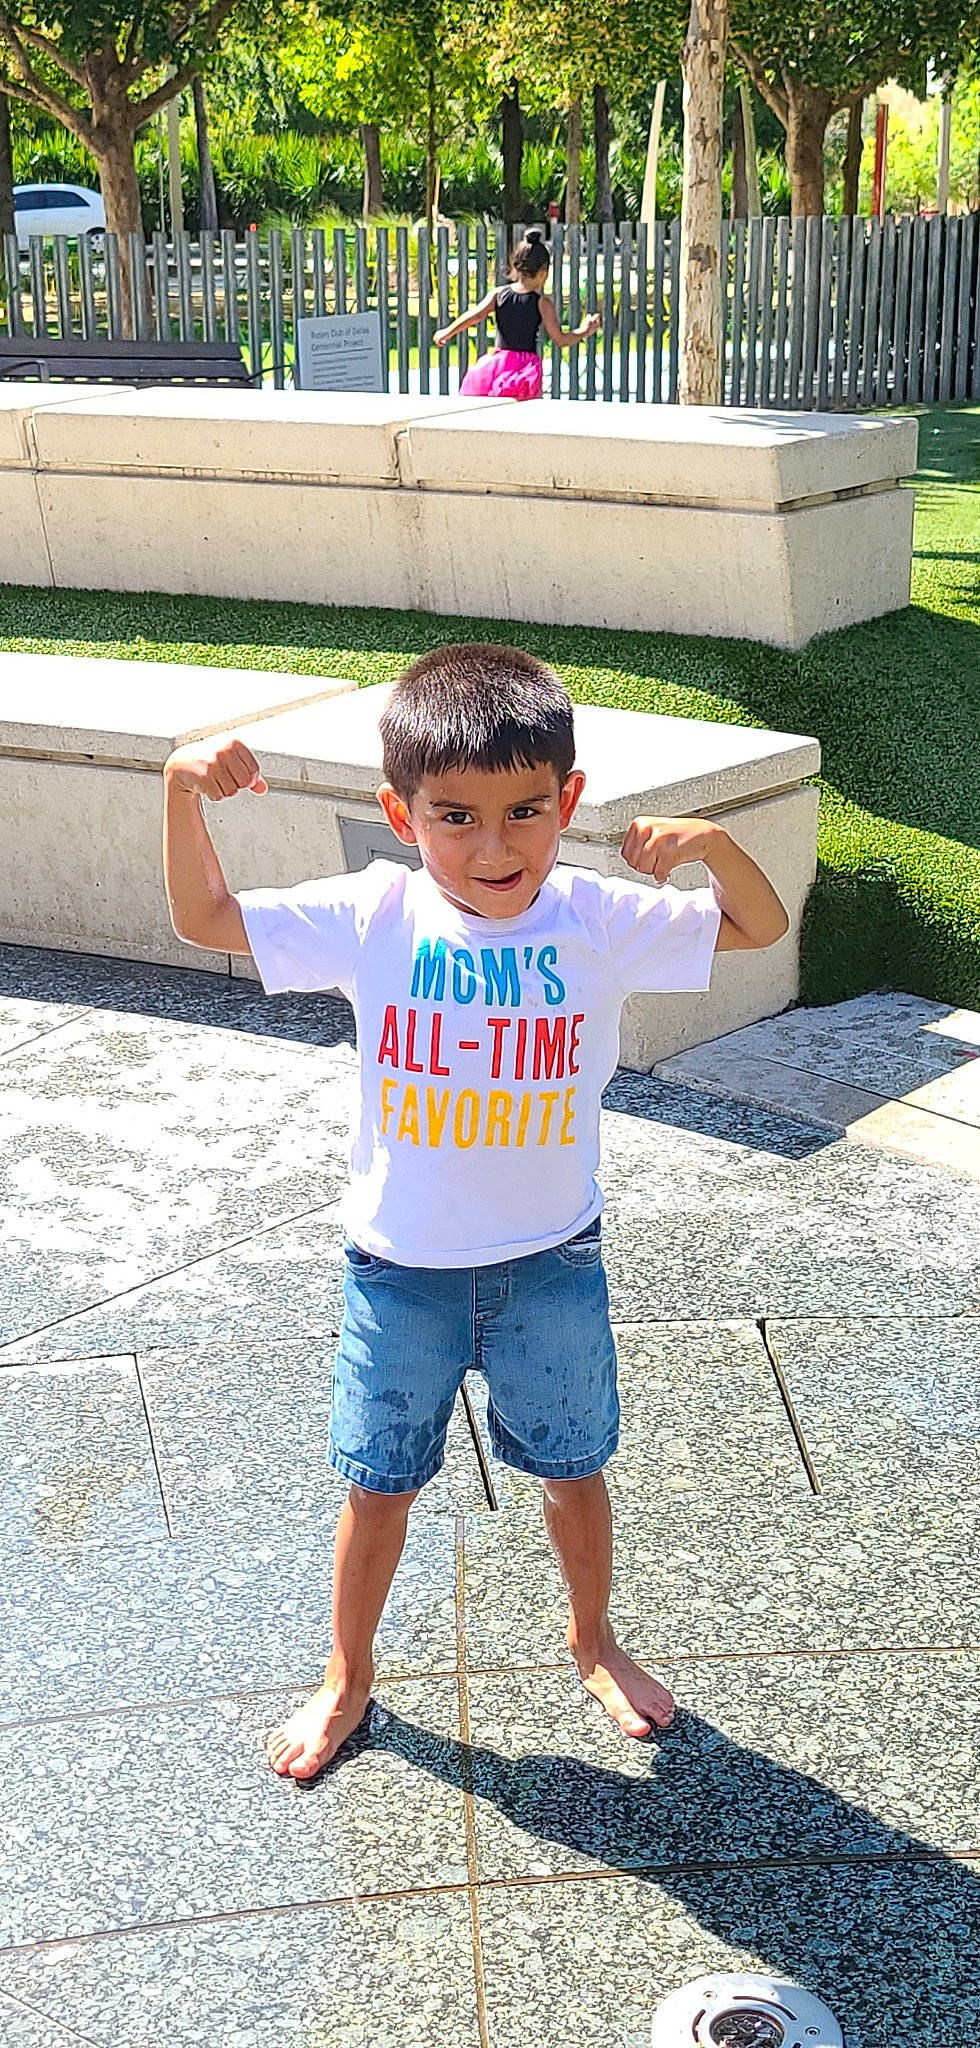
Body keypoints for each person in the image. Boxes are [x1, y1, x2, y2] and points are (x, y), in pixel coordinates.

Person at [162, 643, 790, 1782]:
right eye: (454, 815)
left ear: (568, 802)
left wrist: (711, 849)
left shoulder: (596, 916)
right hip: (397, 1269)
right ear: (398, 811)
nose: (492, 848)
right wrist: (176, 788)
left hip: (550, 1261)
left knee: (572, 1464)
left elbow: (755, 927)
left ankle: (591, 1639)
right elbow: (205, 916)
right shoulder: (374, 914)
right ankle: (348, 1675)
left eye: (523, 811)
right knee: (378, 1481)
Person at [433, 227, 600, 400]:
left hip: (498, 366)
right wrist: (585, 330)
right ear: (544, 272)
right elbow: (560, 339)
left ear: (517, 265)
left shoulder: (499, 294)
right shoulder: (541, 303)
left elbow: (475, 315)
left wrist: (447, 331)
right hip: (525, 370)